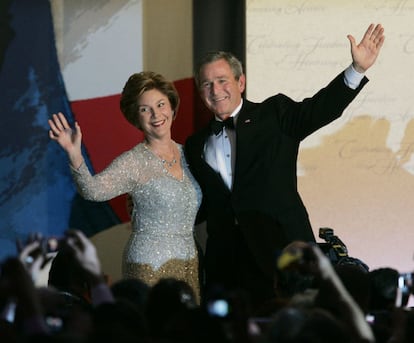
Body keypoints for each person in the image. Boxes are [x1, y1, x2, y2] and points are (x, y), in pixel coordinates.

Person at [184, 23, 385, 311]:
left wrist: (356, 69)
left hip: (285, 256)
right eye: (206, 84)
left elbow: (320, 108)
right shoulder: (194, 144)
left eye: (222, 80)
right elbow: (203, 203)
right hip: (227, 265)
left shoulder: (274, 113)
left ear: (241, 83)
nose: (216, 90)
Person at [48, 71, 202, 301]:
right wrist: (74, 154)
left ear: (172, 106)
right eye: (145, 109)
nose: (156, 114)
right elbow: (93, 191)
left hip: (190, 263)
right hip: (148, 265)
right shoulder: (134, 162)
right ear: (135, 117)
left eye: (160, 104)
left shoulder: (190, 153)